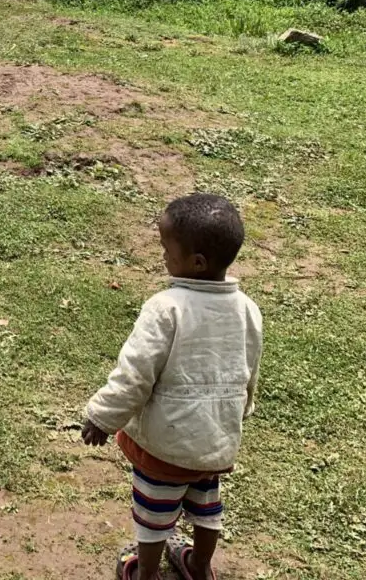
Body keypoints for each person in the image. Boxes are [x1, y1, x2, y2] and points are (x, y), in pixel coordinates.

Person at [81, 193, 262, 580]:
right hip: (215, 441)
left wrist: (102, 416)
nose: (162, 256)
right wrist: (239, 411)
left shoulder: (166, 308)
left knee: (153, 514)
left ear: (196, 262)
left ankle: (145, 574)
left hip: (165, 446)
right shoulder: (247, 307)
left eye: (167, 249)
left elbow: (135, 374)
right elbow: (249, 368)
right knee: (207, 506)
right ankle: (199, 566)